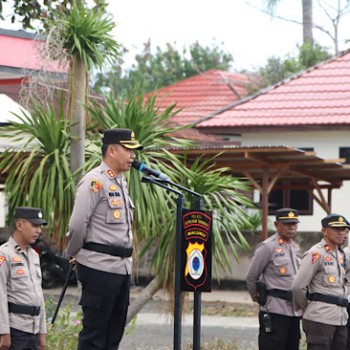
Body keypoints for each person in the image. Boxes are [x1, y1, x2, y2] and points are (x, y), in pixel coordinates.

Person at [64, 128, 143, 350]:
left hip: (121, 270)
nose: (133, 156)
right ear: (111, 150)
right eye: (128, 150)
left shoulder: (120, 183)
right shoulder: (94, 182)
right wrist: (73, 253)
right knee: (94, 337)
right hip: (99, 269)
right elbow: (77, 226)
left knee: (113, 335)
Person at [246, 207, 302, 350]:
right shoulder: (268, 246)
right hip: (275, 310)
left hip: (294, 311)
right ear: (277, 225)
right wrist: (258, 298)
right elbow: (251, 277)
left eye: (294, 223)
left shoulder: (295, 248)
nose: (292, 227)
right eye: (287, 224)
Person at [292, 213, 350, 350]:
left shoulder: (341, 255)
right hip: (320, 318)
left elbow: (347, 280)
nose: (342, 233)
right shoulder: (316, 254)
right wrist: (305, 307)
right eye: (337, 229)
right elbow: (298, 286)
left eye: (345, 229)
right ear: (324, 231)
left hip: (340, 317)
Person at [0, 207, 48, 350]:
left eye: (40, 226)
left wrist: (42, 331)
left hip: (33, 330)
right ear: (19, 225)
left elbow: (39, 295)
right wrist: (3, 332)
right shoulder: (4, 254)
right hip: (15, 330)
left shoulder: (34, 255)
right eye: (34, 225)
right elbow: (0, 294)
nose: (38, 230)